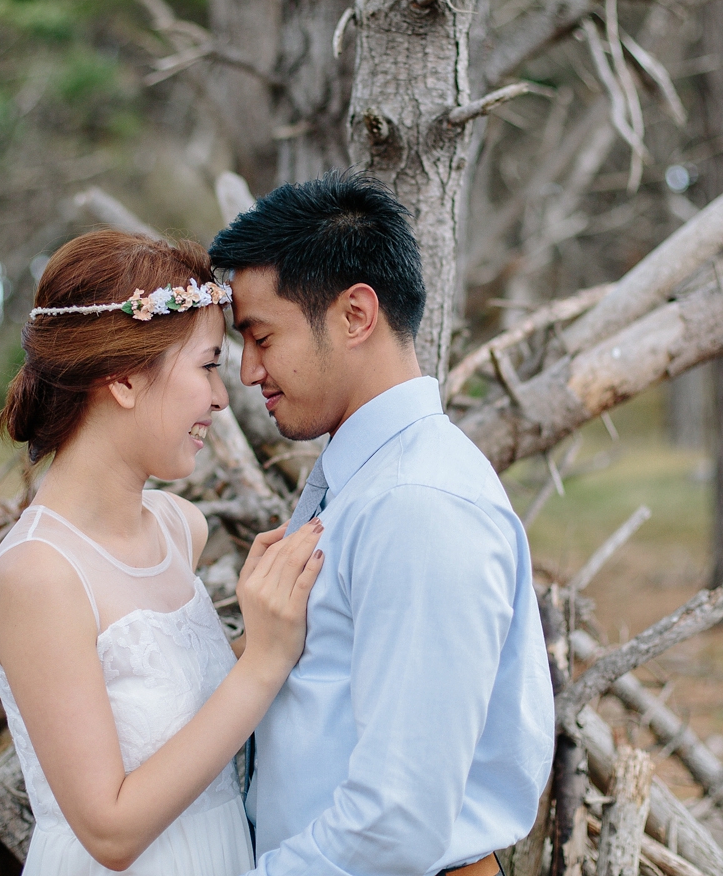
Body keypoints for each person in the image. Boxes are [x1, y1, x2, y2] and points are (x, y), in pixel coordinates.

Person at [209, 172, 556, 876]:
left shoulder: (419, 505)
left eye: (261, 336)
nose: (247, 370)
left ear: (356, 315)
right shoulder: (363, 476)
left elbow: (393, 820)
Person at [0, 229, 325, 875]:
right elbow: (109, 829)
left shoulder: (180, 529)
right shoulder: (38, 574)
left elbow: (176, 703)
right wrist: (261, 664)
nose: (223, 398)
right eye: (206, 366)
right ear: (123, 379)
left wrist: (259, 630)